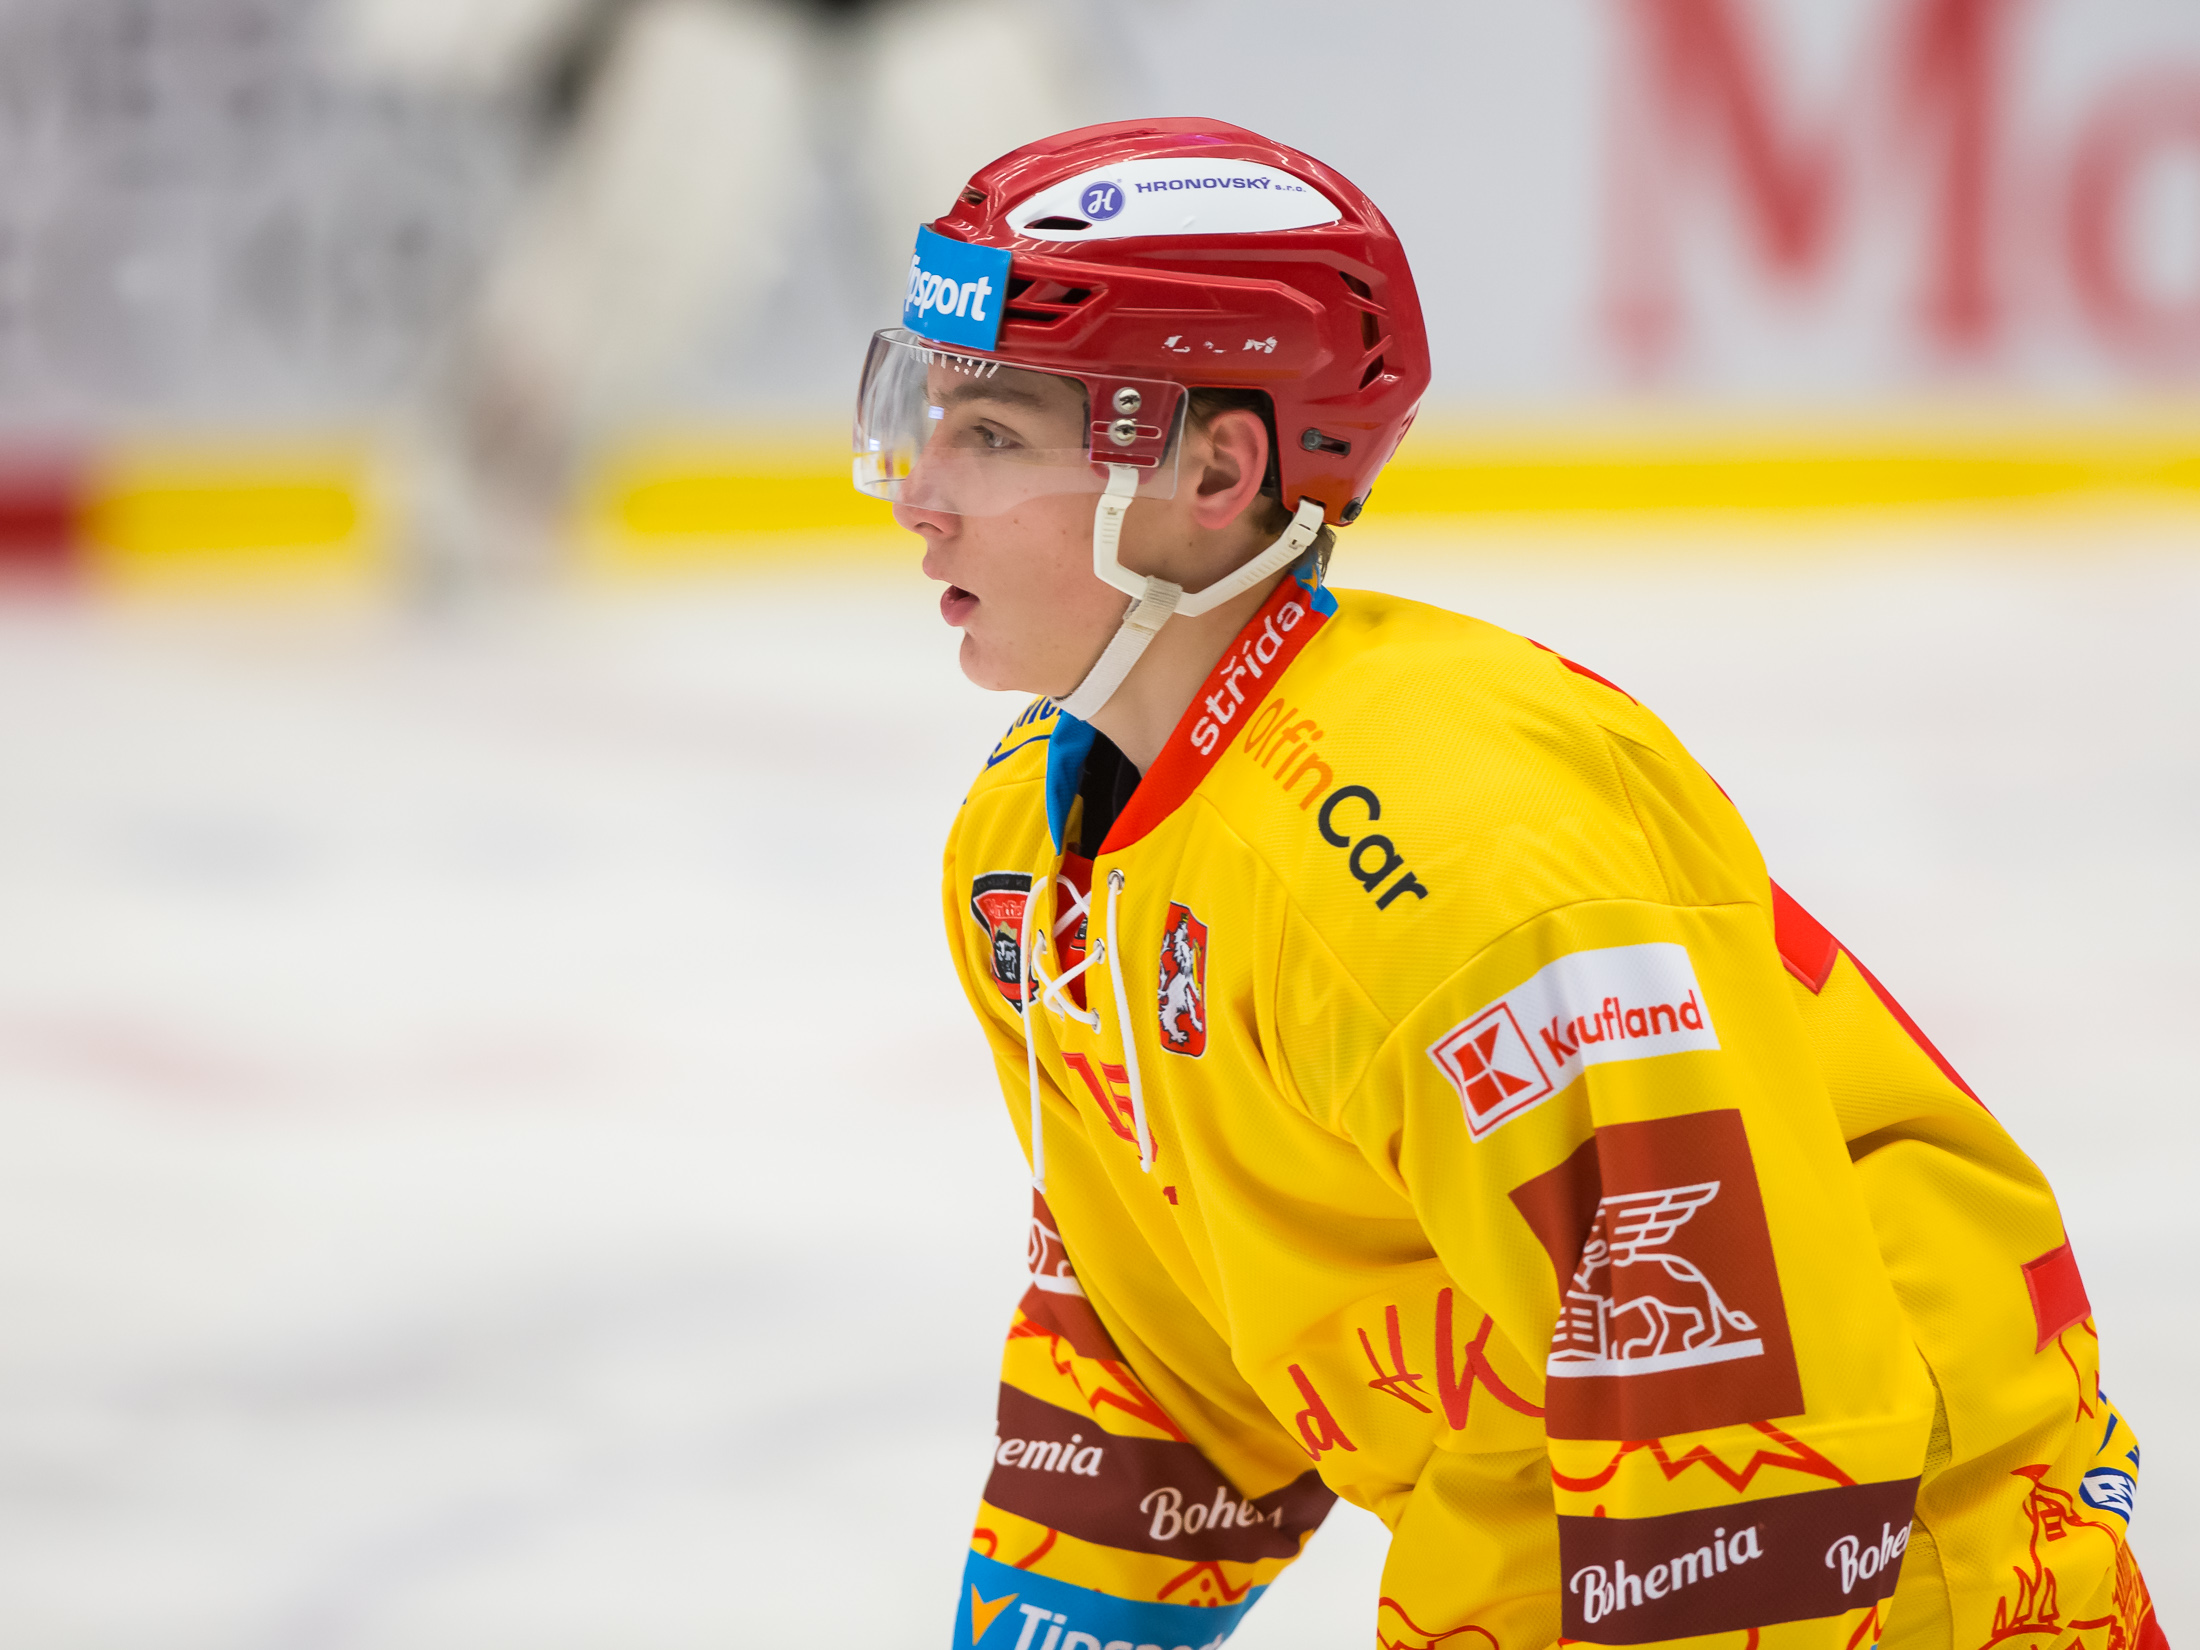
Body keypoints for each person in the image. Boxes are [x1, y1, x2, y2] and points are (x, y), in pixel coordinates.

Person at [854, 118, 2165, 1650]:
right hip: (1539, 1569)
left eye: (994, 437)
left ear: (1216, 466)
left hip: (1908, 1584)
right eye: (921, 418)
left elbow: (1736, 1421)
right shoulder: (1028, 861)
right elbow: (1160, 1364)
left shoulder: (1454, 849)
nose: (917, 493)